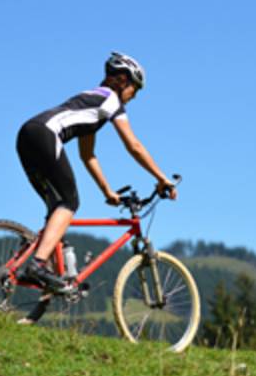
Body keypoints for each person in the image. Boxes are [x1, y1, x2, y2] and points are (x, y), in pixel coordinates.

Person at [17, 52, 177, 290]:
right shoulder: (111, 100)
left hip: (27, 135)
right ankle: (38, 264)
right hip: (45, 135)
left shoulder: (92, 102)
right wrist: (162, 178)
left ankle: (36, 265)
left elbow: (87, 155)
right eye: (135, 89)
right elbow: (134, 146)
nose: (134, 96)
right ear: (123, 80)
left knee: (56, 207)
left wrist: (108, 192)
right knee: (69, 203)